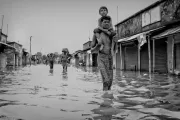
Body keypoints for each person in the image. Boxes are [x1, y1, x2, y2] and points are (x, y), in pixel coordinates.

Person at [91, 16, 116, 97]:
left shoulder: (111, 34)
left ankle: (107, 99)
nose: (106, 23)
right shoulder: (97, 34)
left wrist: (116, 42)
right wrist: (98, 45)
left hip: (110, 58)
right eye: (104, 22)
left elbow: (115, 48)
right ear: (101, 23)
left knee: (110, 82)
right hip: (101, 57)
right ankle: (105, 100)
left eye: (108, 22)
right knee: (106, 80)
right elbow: (92, 49)